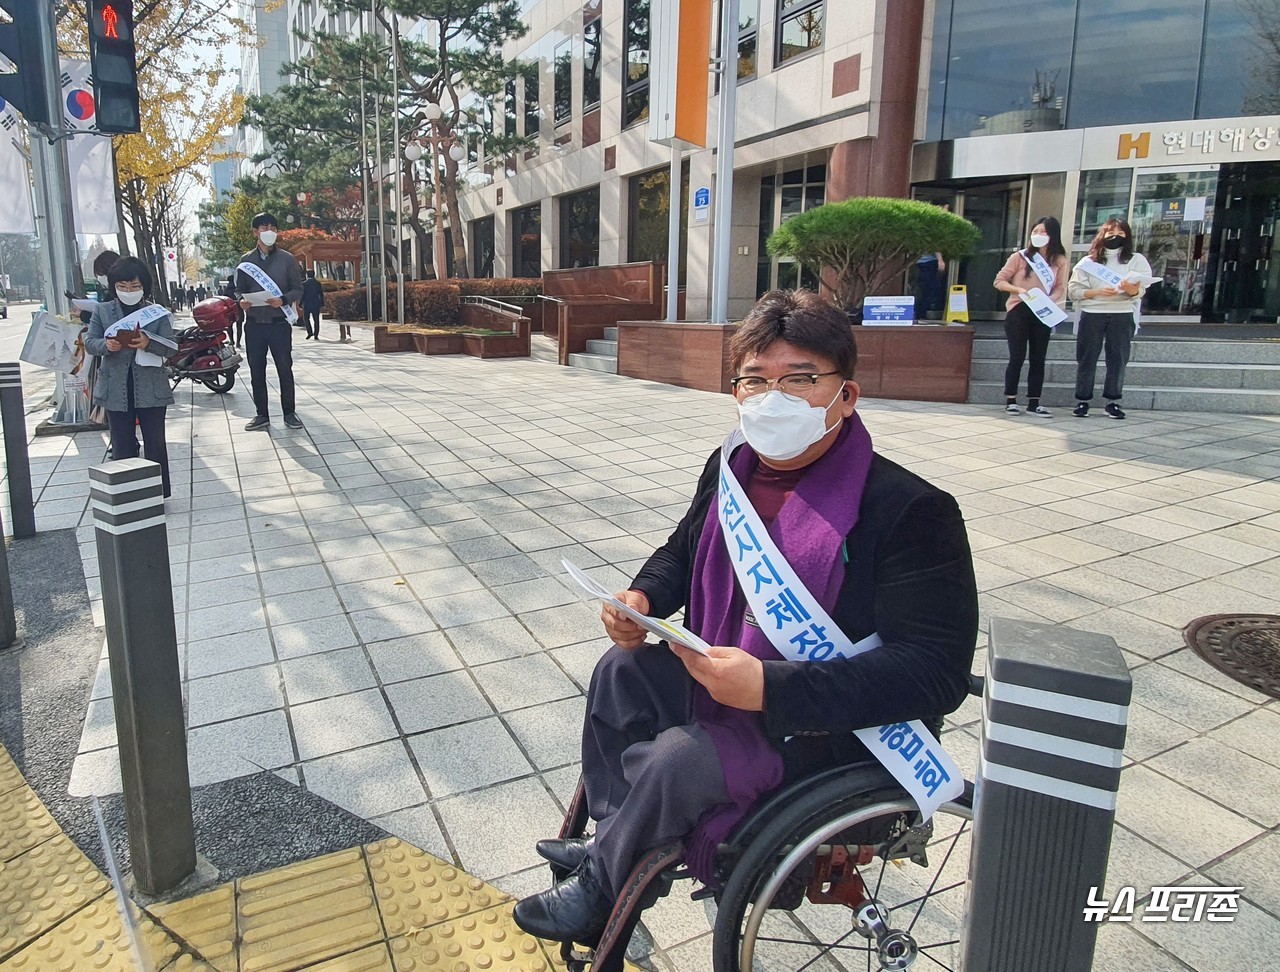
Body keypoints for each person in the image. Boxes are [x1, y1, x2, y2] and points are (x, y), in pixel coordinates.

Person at [512, 289, 979, 946]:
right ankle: (617, 845)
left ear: (846, 395)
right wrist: (643, 601)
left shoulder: (911, 510)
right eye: (755, 381)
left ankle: (602, 890)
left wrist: (771, 686)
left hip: (825, 730)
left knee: (678, 757)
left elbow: (934, 672)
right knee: (621, 671)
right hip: (723, 677)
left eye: (800, 380)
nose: (773, 399)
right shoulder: (732, 466)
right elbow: (682, 549)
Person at [84, 256, 177, 498]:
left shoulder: (155, 313)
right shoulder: (103, 311)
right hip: (116, 387)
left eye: (134, 287)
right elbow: (90, 342)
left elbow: (171, 346)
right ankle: (128, 495)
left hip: (151, 386)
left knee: (155, 443)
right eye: (122, 287)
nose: (128, 292)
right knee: (122, 443)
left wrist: (149, 342)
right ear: (113, 286)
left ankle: (158, 493)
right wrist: (106, 345)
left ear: (144, 287)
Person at [1067, 218, 1152, 420]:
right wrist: (1096, 292)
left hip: (1121, 313)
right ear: (1102, 235)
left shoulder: (1136, 260)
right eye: (1111, 233)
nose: (1116, 237)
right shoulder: (1088, 262)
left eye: (1121, 234)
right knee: (1087, 358)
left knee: (1118, 358)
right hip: (1092, 314)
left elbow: (1141, 289)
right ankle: (1083, 400)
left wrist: (1131, 289)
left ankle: (1112, 401)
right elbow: (1074, 290)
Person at [993, 216, 1069, 416]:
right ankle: (1011, 398)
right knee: (1017, 356)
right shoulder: (1020, 257)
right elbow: (999, 281)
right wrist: (1018, 289)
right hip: (1019, 309)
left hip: (1042, 311)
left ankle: (1034, 401)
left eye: (1043, 232)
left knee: (1038, 357)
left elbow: (1061, 286)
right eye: (1035, 232)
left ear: (1052, 235)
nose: (1038, 236)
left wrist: (1050, 299)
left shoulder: (1059, 260)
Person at [236, 212, 304, 430]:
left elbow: (298, 288)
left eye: (273, 228)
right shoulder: (246, 261)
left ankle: (289, 413)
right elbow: (237, 290)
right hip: (254, 324)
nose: (270, 233)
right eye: (265, 228)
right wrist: (241, 301)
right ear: (255, 232)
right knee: (257, 371)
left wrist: (282, 299)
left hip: (279, 324)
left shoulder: (287, 259)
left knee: (285, 368)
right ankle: (262, 415)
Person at [221, 275, 245, 348]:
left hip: (229, 310)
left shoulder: (226, 289)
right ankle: (238, 342)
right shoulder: (238, 289)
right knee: (239, 326)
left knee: (229, 326)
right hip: (238, 308)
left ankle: (232, 341)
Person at [300, 269, 325, 340]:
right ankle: (316, 334)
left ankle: (310, 332)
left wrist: (300, 303)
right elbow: (321, 294)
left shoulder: (304, 284)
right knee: (316, 320)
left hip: (307, 304)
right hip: (316, 304)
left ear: (307, 275)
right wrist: (322, 303)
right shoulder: (317, 283)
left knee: (306, 319)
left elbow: (303, 295)